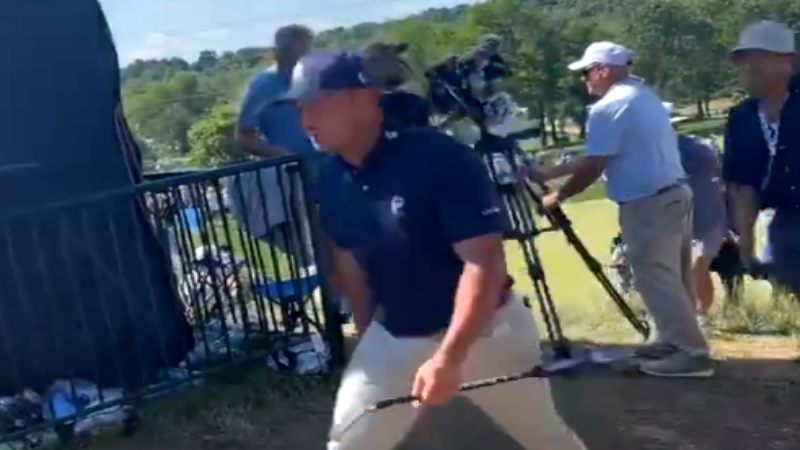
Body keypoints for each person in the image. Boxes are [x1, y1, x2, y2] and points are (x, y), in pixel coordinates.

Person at [283, 50, 585, 450]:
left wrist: (449, 357)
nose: (306, 120)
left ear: (365, 97)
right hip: (395, 336)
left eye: (317, 103)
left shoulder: (440, 158)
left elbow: (482, 263)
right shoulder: (331, 181)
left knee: (547, 440)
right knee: (349, 445)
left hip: (486, 333)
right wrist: (368, 335)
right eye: (299, 107)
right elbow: (349, 264)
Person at [531, 41, 713, 378]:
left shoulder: (608, 107)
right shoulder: (641, 95)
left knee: (655, 277)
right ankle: (673, 340)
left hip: (648, 201)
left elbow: (594, 166)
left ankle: (691, 353)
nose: (584, 80)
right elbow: (599, 154)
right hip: (672, 193)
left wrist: (558, 196)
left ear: (602, 70)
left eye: (587, 72)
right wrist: (548, 174)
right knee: (672, 276)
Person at [723, 20, 800, 301]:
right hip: (787, 221)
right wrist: (746, 244)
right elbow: (743, 185)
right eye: (742, 61)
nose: (748, 67)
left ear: (788, 61)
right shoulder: (742, 118)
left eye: (758, 58)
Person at [230, 24, 316, 272]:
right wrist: (281, 155)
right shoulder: (263, 86)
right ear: (277, 52)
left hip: (331, 174)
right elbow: (244, 137)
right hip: (293, 183)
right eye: (293, 51)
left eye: (305, 51)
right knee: (314, 253)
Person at [664, 103, 728, 321]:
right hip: (677, 223)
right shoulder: (647, 157)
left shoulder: (696, 149)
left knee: (697, 264)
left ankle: (701, 314)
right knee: (686, 272)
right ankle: (695, 315)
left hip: (708, 219)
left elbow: (716, 167)